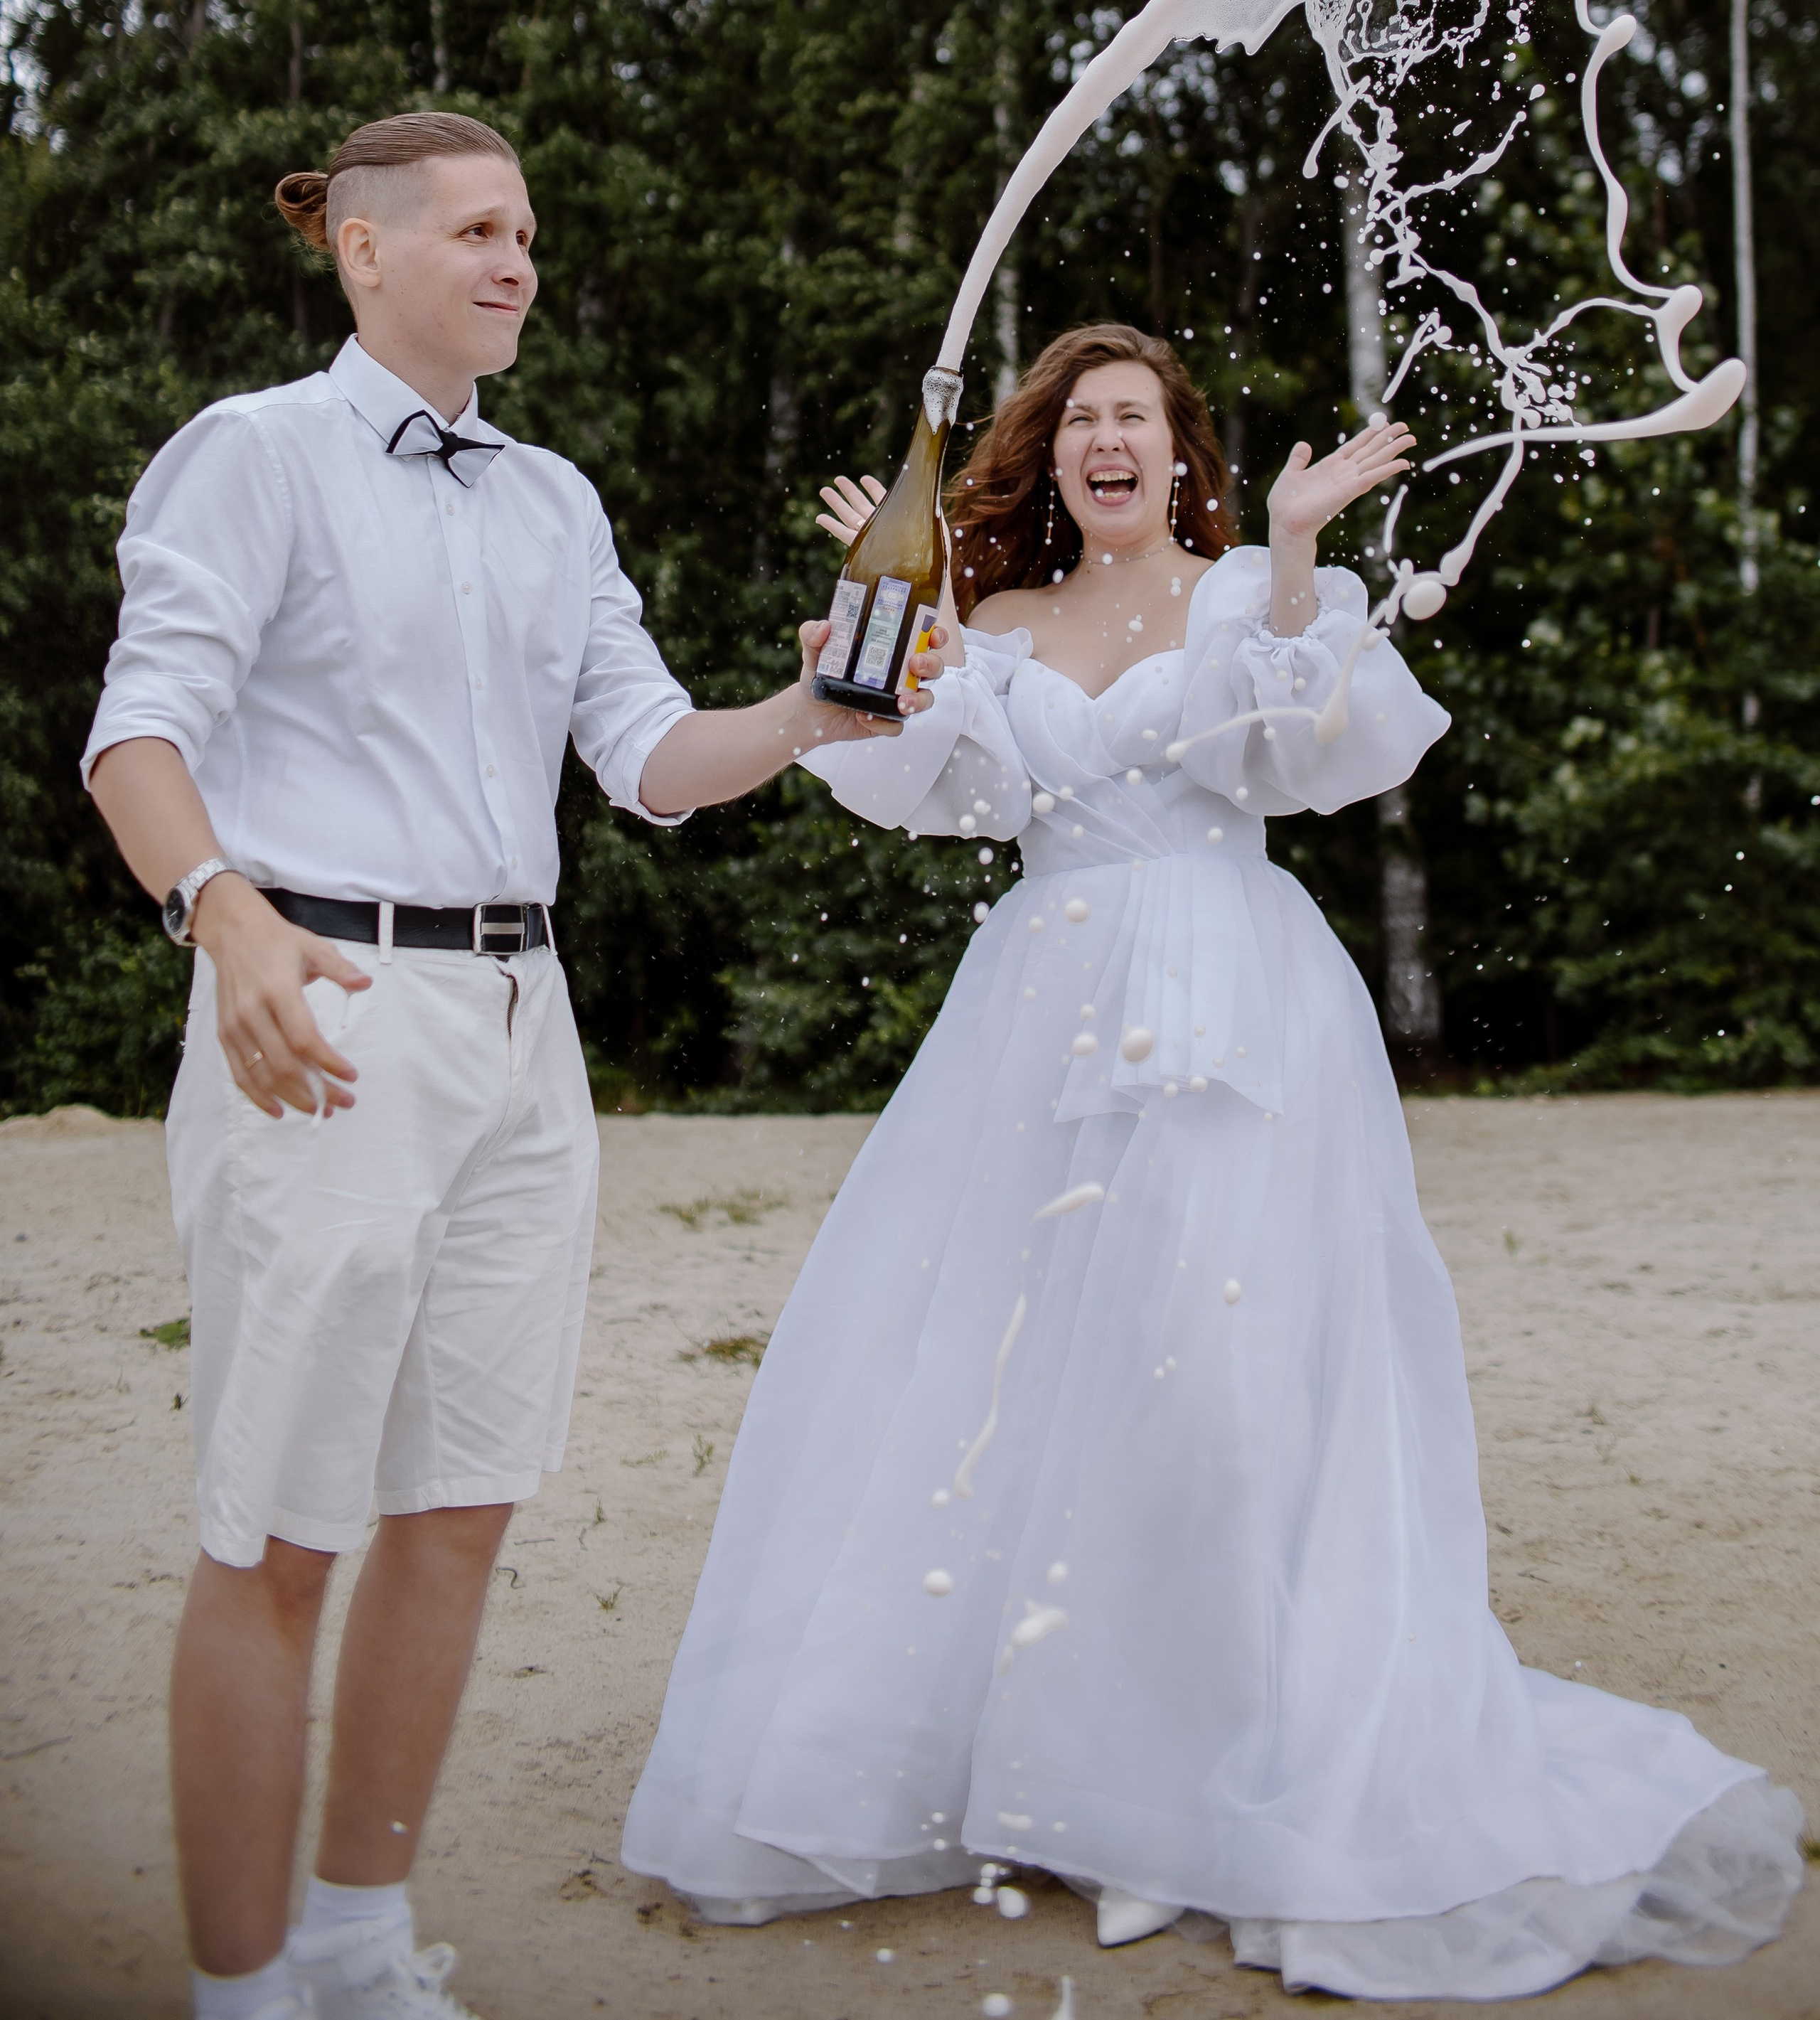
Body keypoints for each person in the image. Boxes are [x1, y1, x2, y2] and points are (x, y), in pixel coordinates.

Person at [621, 321, 1804, 1999]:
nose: (1105, 438)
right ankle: (1038, 1772)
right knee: (1017, 1381)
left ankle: (1189, 1783)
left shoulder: (1251, 588)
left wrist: (1301, 549)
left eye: (1135, 416)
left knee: (1215, 1394)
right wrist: (899, 616)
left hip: (1230, 1005)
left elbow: (1316, 743)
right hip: (1038, 1018)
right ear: (1049, 457)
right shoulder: (997, 620)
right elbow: (911, 771)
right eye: (1078, 419)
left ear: (1179, 454)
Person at [83, 111, 940, 2020]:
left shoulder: (556, 500)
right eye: (477, 230)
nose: (517, 261)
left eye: (528, 233)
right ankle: (242, 1996)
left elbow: (645, 757)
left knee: (458, 1508)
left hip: (522, 1026)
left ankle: (355, 1944)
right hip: (326, 1006)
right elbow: (139, 735)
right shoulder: (253, 453)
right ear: (361, 250)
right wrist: (224, 917)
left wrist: (808, 712)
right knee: (277, 1533)